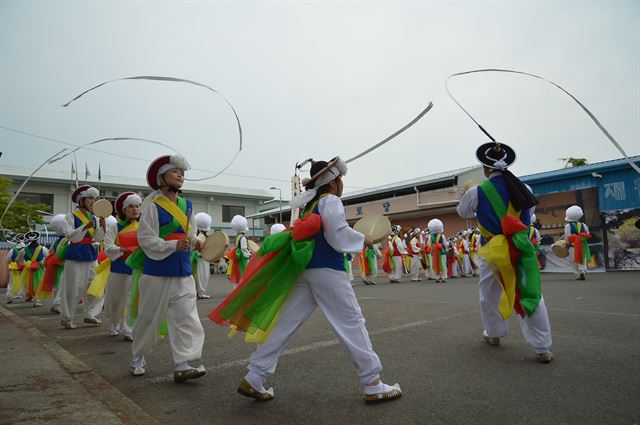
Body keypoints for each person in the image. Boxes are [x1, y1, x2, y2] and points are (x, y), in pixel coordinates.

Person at [210, 156, 401, 404]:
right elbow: (338, 235)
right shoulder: (331, 200)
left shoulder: (310, 205)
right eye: (341, 179)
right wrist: (362, 239)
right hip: (327, 270)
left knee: (285, 324)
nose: (342, 183)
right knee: (351, 322)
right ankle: (373, 383)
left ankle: (255, 376)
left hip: (306, 270)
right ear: (333, 182)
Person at [457, 141, 553, 363]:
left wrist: (464, 194)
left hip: (492, 250)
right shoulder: (525, 188)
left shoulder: (476, 192)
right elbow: (529, 214)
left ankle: (494, 333)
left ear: (485, 168)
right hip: (521, 246)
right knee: (531, 291)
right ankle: (542, 347)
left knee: (488, 293)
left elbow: (463, 213)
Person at [129, 155, 206, 381]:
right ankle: (137, 356)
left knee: (186, 317)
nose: (181, 175)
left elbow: (189, 233)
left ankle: (182, 364)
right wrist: (173, 244)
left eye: (183, 172)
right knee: (149, 318)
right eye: (175, 171)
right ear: (161, 177)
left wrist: (196, 241)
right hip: (157, 273)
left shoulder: (187, 204)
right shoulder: (151, 205)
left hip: (183, 270)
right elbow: (145, 238)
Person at [59, 185, 106, 329]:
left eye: (94, 199)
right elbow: (69, 235)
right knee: (73, 288)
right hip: (75, 254)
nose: (93, 201)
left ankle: (91, 314)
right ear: (81, 199)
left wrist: (103, 227)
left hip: (91, 255)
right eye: (90, 198)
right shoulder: (71, 216)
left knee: (97, 286)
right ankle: (67, 318)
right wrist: (84, 228)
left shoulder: (94, 218)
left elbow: (98, 238)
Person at [103, 192, 142, 341]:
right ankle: (114, 323)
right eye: (131, 206)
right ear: (124, 210)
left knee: (133, 299)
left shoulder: (143, 225)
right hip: (119, 265)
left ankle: (129, 329)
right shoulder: (115, 226)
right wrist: (120, 249)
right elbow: (107, 246)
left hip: (136, 266)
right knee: (116, 299)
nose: (135, 209)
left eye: (138, 206)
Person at [564, 206, 591, 280]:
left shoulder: (568, 226)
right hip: (582, 245)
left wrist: (567, 244)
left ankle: (578, 274)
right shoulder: (584, 225)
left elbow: (567, 237)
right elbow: (587, 234)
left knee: (575, 260)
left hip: (574, 246)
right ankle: (583, 271)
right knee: (583, 259)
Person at [21, 231, 48, 307]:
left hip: (28, 269)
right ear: (38, 239)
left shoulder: (24, 250)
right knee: (39, 284)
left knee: (29, 283)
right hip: (39, 269)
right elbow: (48, 258)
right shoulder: (43, 248)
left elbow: (18, 259)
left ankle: (30, 297)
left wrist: (26, 264)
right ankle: (37, 300)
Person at [227, 215, 252, 286]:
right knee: (245, 273)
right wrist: (249, 254)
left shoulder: (237, 237)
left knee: (237, 273)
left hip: (238, 258)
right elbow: (244, 248)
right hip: (243, 259)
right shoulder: (243, 237)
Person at [193, 212, 213, 299]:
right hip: (202, 259)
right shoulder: (201, 236)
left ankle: (198, 292)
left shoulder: (197, 235)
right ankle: (201, 292)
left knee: (199, 275)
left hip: (199, 258)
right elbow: (200, 249)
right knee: (203, 275)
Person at [6, 233, 26, 304]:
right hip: (24, 269)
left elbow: (8, 260)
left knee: (11, 283)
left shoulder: (12, 250)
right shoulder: (25, 250)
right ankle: (28, 297)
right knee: (25, 283)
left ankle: (9, 297)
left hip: (14, 269)